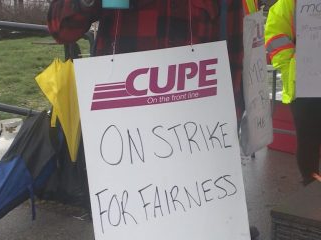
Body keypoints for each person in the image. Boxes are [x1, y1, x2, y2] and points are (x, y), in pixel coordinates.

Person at [46, 1, 260, 239]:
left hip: (194, 140)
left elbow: (232, 57)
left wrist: (224, 133)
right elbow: (60, 27)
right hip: (122, 145)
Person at [47, 0, 245, 120]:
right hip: (117, 132)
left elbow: (232, 56)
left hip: (193, 134)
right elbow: (61, 28)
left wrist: (228, 128)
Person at [265, 0, 321, 186]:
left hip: (306, 81)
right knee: (308, 141)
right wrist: (291, 65)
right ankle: (310, 186)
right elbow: (274, 35)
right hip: (305, 85)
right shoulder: (290, 3)